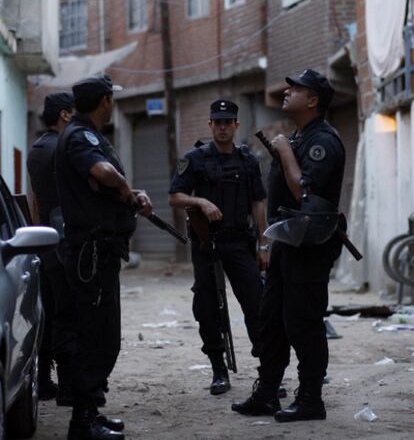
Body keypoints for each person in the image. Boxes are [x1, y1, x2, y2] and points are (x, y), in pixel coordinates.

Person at [232, 70, 345, 423]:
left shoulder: (322, 141)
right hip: (287, 242)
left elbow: (305, 194)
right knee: (272, 321)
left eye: (296, 89)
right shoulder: (298, 137)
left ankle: (311, 399)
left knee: (303, 322)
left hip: (310, 246)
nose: (287, 91)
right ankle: (267, 392)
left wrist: (283, 151)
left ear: (313, 100)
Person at [55, 74, 152, 440]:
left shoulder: (89, 135)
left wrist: (132, 194)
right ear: (105, 101)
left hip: (102, 251)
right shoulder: (80, 136)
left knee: (104, 334)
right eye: (112, 100)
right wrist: (126, 187)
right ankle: (82, 421)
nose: (113, 106)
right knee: (96, 336)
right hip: (91, 253)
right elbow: (102, 172)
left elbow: (102, 186)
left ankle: (91, 410)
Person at [169, 99, 267, 396]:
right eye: (217, 122)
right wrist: (200, 201)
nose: (222, 127)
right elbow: (175, 196)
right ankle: (218, 369)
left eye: (228, 122)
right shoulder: (196, 158)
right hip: (207, 243)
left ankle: (268, 372)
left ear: (236, 125)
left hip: (240, 241)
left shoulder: (248, 160)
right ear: (210, 124)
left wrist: (264, 244)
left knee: (257, 305)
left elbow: (258, 202)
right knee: (207, 308)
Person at [27, 92, 75, 402]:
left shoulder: (36, 150)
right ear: (65, 116)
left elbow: (33, 200)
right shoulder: (65, 148)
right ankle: (69, 387)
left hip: (44, 239)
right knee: (68, 315)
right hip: (66, 241)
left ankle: (44, 382)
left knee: (47, 313)